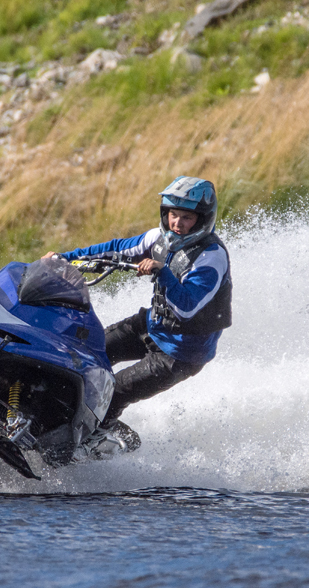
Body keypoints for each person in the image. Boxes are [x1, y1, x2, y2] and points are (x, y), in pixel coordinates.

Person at [44, 176, 232, 430]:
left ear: (203, 219)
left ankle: (93, 439)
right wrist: (62, 259)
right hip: (150, 325)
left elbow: (187, 307)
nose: (177, 223)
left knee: (112, 393)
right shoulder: (159, 237)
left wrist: (162, 271)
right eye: (173, 214)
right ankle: (49, 411)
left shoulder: (211, 258)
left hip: (180, 353)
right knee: (84, 352)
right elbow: (116, 249)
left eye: (186, 218)